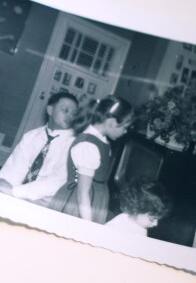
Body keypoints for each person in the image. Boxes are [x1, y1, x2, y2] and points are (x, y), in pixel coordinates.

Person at [0, 92, 78, 206]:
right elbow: (15, 167)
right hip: (21, 186)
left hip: (49, 198)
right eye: (65, 110)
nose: (70, 116)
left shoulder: (74, 144)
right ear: (50, 110)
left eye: (73, 113)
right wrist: (3, 184)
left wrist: (15, 191)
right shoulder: (32, 136)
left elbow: (56, 182)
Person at [49, 95, 134, 224]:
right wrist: (88, 226)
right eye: (125, 127)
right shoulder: (88, 145)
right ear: (111, 122)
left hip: (94, 200)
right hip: (78, 206)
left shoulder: (102, 141)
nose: (126, 131)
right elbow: (83, 192)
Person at [105, 178, 171, 236]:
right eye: (152, 219)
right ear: (137, 210)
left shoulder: (141, 229)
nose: (155, 224)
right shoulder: (118, 224)